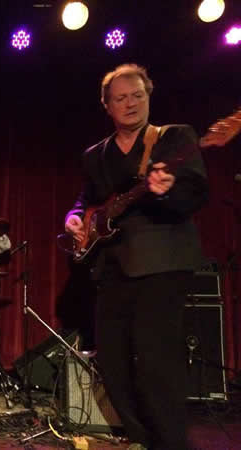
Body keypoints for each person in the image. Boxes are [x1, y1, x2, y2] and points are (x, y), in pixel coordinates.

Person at [64, 64, 208, 450]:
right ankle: (143, 440)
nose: (130, 103)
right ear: (107, 106)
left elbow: (196, 191)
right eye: (121, 98)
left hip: (162, 263)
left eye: (137, 96)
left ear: (148, 96)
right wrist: (75, 218)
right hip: (112, 268)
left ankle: (171, 443)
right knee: (111, 363)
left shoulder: (174, 138)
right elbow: (88, 199)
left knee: (156, 363)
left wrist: (167, 189)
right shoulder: (95, 155)